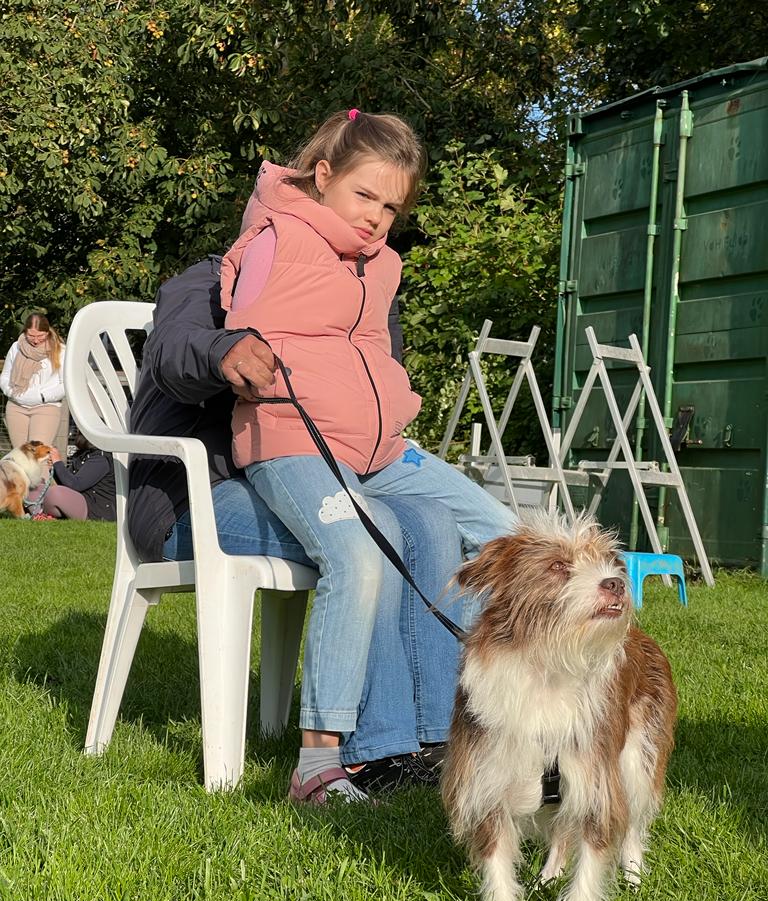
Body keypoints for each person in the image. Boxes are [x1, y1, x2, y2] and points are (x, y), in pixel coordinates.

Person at [219, 109, 517, 803]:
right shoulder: (277, 235)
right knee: (356, 556)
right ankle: (318, 765)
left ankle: (472, 725)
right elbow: (235, 330)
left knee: (506, 542)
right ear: (324, 175)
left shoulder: (383, 266)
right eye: (365, 196)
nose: (377, 217)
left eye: (391, 207)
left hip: (381, 451)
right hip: (292, 442)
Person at [127, 254, 464, 800]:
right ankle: (368, 750)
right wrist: (222, 350)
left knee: (432, 521)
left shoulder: (351, 288)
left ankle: (438, 738)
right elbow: (169, 353)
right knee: (373, 532)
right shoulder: (211, 277)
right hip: (191, 493)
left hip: (309, 475)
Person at [1, 313, 66, 448]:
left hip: (46, 407)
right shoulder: (16, 347)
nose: (36, 341)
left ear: (47, 332)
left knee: (37, 454)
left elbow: (65, 384)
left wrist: (42, 396)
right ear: (25, 332)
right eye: (31, 336)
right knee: (20, 455)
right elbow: (5, 376)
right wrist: (11, 393)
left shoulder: (60, 351)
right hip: (16, 407)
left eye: (40, 336)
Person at [42, 433, 116, 521]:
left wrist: (58, 462)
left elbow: (76, 485)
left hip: (94, 510)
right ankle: (40, 514)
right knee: (36, 489)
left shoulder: (100, 459)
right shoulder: (82, 455)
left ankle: (43, 513)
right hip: (79, 501)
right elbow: (66, 484)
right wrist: (54, 468)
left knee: (54, 493)